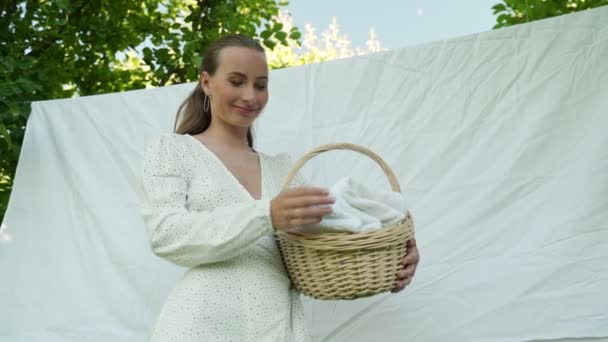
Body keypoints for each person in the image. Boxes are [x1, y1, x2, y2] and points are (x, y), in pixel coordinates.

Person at [140, 33, 420, 341]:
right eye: (236, 81)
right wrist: (266, 214)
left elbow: (324, 241)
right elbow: (166, 235)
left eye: (260, 85)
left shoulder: (284, 170)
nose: (250, 96)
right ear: (206, 82)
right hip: (198, 326)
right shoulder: (173, 150)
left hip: (276, 328)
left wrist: (390, 252)